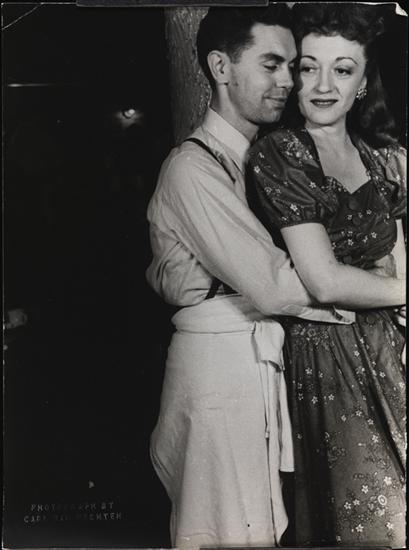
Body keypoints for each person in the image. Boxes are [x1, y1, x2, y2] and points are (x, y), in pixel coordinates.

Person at [146, 5, 401, 549]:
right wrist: (363, 283)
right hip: (221, 365)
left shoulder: (262, 156)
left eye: (292, 65)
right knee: (227, 530)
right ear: (220, 67)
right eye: (271, 65)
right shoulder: (193, 168)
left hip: (267, 354)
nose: (288, 81)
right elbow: (278, 285)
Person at [246, 3, 406, 548]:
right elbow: (325, 281)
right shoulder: (281, 153)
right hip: (329, 356)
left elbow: (398, 257)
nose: (322, 85)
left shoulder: (385, 159)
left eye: (342, 69)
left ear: (362, 83)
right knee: (370, 521)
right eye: (309, 67)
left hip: (394, 347)